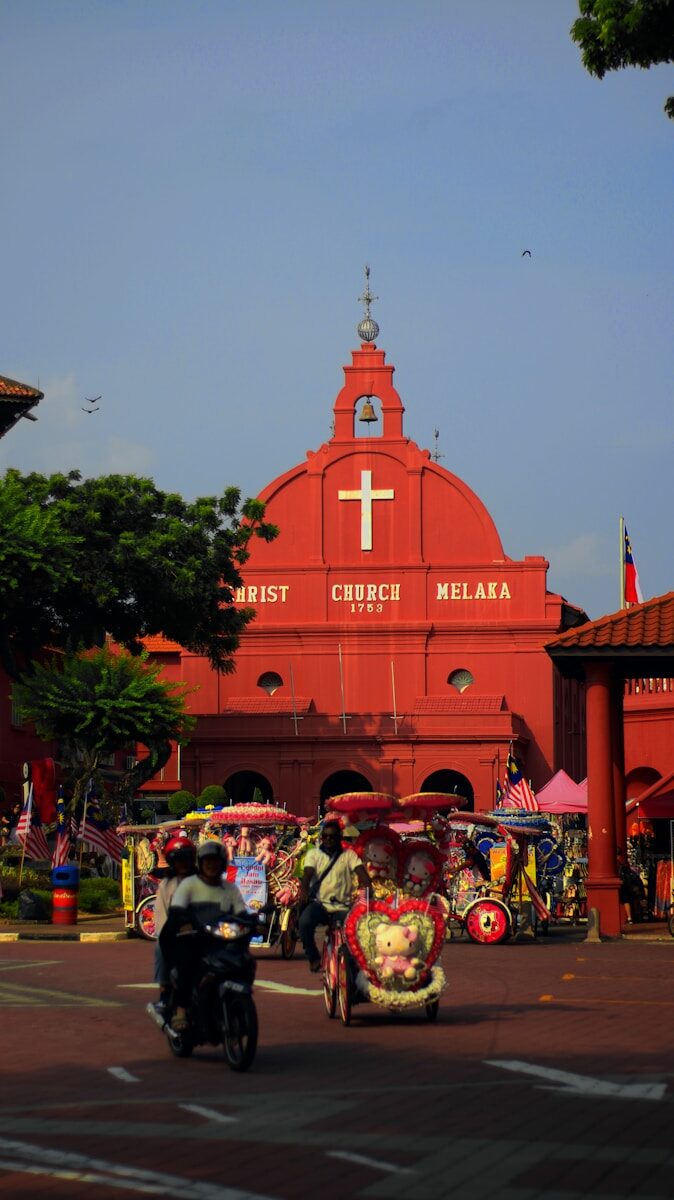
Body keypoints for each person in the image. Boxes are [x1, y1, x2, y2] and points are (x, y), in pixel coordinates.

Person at [161, 839, 248, 1031]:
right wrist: (185, 924)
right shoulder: (189, 885)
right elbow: (176, 910)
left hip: (220, 941)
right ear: (200, 863)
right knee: (187, 964)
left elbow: (241, 914)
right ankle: (181, 1009)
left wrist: (254, 924)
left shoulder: (230, 888)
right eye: (207, 861)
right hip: (194, 940)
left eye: (216, 861)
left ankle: (239, 998)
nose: (211, 865)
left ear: (223, 864)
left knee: (246, 961)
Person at [299, 819, 371, 972]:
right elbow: (307, 875)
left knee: (354, 935)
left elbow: (362, 873)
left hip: (343, 907)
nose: (329, 840)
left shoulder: (349, 856)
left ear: (339, 838)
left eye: (332, 836)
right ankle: (313, 958)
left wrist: (368, 888)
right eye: (325, 836)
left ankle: (353, 975)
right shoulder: (314, 854)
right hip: (320, 905)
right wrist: (304, 891)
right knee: (304, 923)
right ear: (321, 837)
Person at [152, 833, 196, 1013]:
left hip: (204, 932)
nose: (182, 864)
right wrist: (168, 934)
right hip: (177, 934)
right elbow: (162, 916)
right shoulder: (167, 885)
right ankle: (164, 994)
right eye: (178, 860)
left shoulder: (205, 879)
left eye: (186, 859)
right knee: (160, 950)